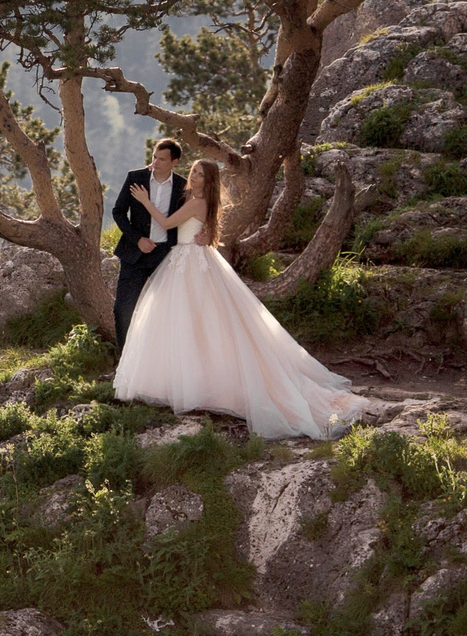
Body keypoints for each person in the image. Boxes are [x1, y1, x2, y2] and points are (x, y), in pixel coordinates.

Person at [112, 158, 384, 440]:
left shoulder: (197, 202)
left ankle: (203, 383)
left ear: (209, 181)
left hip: (189, 263)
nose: (193, 177)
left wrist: (144, 200)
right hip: (189, 260)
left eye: (200, 175)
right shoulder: (198, 200)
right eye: (193, 171)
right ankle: (196, 379)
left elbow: (167, 222)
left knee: (196, 321)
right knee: (195, 322)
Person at [110, 138, 185, 349]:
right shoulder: (136, 178)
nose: (156, 162)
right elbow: (118, 211)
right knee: (122, 309)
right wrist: (137, 239)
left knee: (164, 312)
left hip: (165, 256)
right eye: (154, 157)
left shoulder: (182, 185)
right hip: (135, 253)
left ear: (174, 162)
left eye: (162, 159)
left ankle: (159, 365)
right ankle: (123, 365)